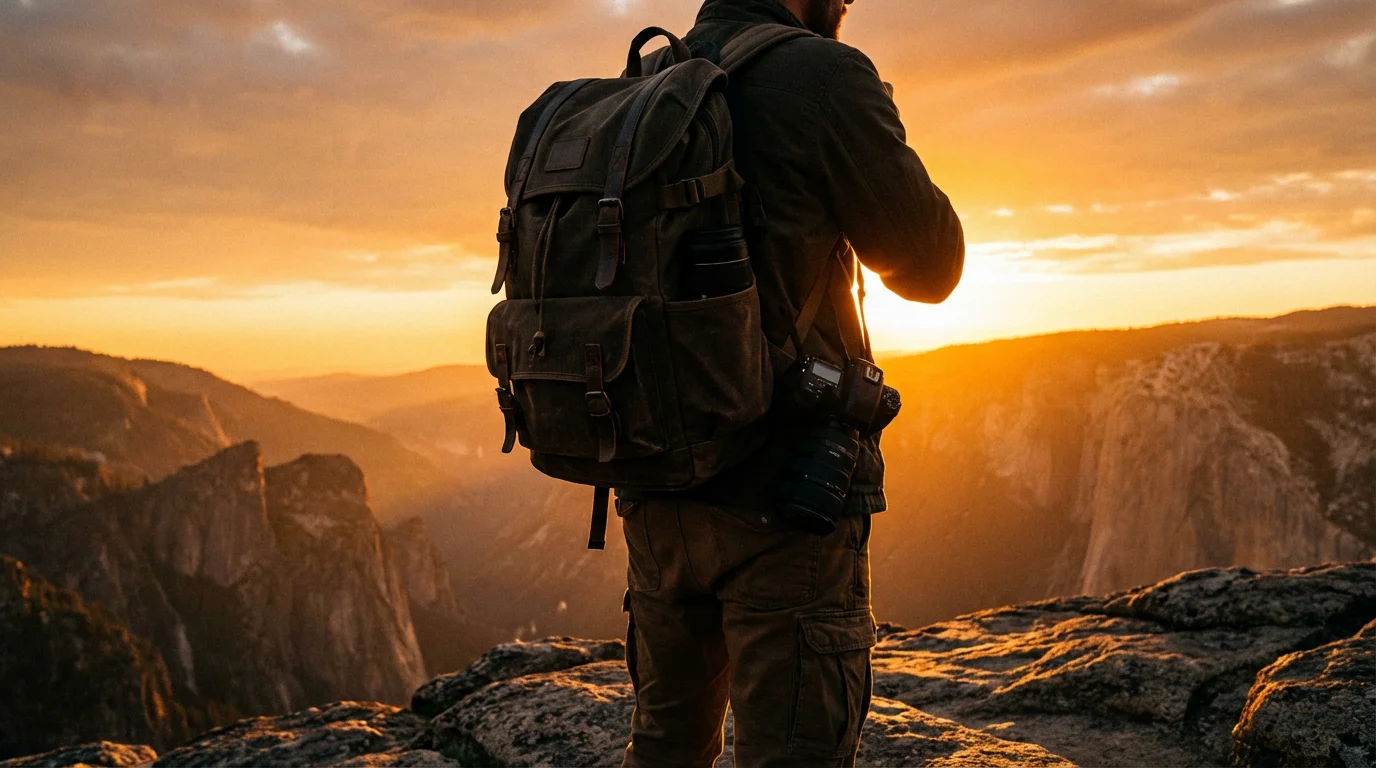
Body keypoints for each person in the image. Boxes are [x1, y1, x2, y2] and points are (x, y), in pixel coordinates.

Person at [617, 0, 965, 765]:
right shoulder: (825, 74)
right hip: (786, 500)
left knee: (665, 749)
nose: (848, 2)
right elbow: (931, 265)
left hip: (657, 493)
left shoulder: (649, 76)